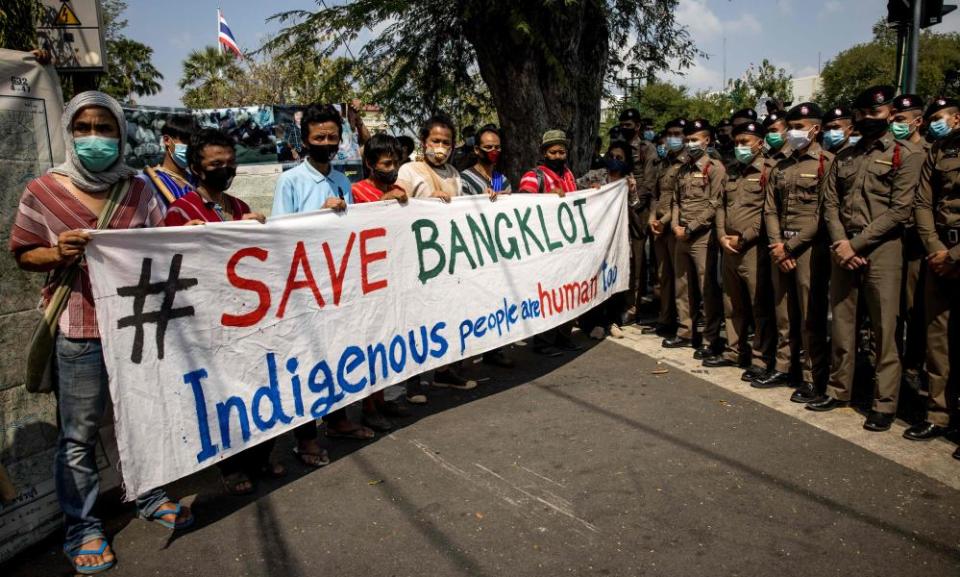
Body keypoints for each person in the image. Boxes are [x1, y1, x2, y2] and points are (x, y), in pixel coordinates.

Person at [9, 91, 193, 575]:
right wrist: (57, 253)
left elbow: (168, 242)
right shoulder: (44, 190)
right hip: (80, 328)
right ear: (70, 133)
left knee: (143, 416)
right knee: (80, 435)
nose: (95, 138)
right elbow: (24, 253)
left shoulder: (139, 189)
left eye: (105, 128)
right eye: (84, 128)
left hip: (138, 326)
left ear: (121, 133)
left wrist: (235, 231)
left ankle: (148, 493)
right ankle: (83, 528)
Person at [164, 128, 281, 494]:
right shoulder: (181, 210)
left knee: (258, 384)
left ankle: (260, 457)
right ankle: (232, 467)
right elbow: (172, 263)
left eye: (230, 163)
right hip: (211, 320)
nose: (225, 169)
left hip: (249, 314)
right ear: (197, 168)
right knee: (226, 391)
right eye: (216, 164)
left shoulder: (239, 207)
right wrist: (184, 236)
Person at [810, 86, 924, 432]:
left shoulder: (906, 154)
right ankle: (839, 390)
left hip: (883, 250)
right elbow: (829, 203)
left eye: (875, 114)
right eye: (862, 115)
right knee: (843, 325)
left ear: (889, 113)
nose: (868, 120)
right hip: (843, 248)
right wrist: (842, 242)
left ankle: (884, 403)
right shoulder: (846, 155)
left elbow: (901, 210)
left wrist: (855, 245)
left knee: (884, 330)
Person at [272, 104, 374, 460]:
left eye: (332, 137)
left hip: (339, 282)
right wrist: (318, 215)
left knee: (337, 353)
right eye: (320, 137)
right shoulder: (290, 181)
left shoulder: (343, 179)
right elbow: (280, 233)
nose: (327, 142)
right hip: (304, 286)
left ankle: (337, 419)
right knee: (306, 359)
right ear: (306, 139)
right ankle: (305, 438)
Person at [398, 114, 479, 392]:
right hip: (417, 260)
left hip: (447, 259)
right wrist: (425, 202)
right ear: (424, 142)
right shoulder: (409, 171)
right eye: (435, 141)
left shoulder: (454, 174)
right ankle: (413, 382)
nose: (440, 147)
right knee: (417, 319)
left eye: (446, 142)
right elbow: (396, 205)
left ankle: (444, 370)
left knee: (445, 316)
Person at [759, 103, 832, 398]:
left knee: (808, 315)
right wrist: (777, 245)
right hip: (780, 246)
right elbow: (770, 208)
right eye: (791, 126)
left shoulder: (826, 163)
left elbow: (824, 212)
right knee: (783, 312)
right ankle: (783, 365)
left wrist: (789, 247)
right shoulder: (781, 165)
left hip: (808, 249)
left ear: (815, 129)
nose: (793, 132)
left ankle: (812, 375)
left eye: (799, 127)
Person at [905, 96, 960, 452]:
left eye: (940, 118)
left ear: (957, 118)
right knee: (937, 340)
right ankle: (938, 414)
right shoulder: (937, 152)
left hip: (955, 254)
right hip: (938, 251)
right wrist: (935, 247)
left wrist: (955, 255)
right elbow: (923, 203)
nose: (934, 124)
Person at [351, 133, 415, 427]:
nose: (392, 168)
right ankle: (370, 407)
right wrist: (381, 204)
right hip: (368, 282)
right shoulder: (356, 192)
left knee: (391, 338)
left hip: (395, 277)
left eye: (395, 163)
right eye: (386, 163)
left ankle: (388, 399)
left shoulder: (400, 188)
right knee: (370, 343)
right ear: (370, 164)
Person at [707, 120, 776, 382]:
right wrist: (723, 235)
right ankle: (734, 350)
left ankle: (761, 358)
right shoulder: (732, 171)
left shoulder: (769, 170)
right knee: (732, 302)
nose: (739, 147)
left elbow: (768, 212)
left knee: (758, 305)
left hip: (753, 248)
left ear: (760, 142)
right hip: (729, 246)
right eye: (736, 143)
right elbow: (722, 206)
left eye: (744, 142)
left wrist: (744, 238)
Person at [661, 118, 725, 359]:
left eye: (694, 139)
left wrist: (691, 228)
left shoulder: (715, 169)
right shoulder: (684, 169)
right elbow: (676, 201)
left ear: (707, 141)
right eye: (687, 139)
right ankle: (686, 331)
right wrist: (676, 225)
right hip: (681, 234)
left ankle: (710, 338)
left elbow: (715, 203)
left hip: (702, 236)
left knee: (706, 288)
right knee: (683, 285)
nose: (689, 143)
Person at [519, 129, 582, 355]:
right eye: (553, 152)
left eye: (561, 152)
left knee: (568, 293)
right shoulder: (533, 175)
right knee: (548, 295)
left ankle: (564, 336)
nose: (558, 156)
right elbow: (521, 204)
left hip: (569, 247)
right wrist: (547, 197)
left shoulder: (569, 175)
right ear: (544, 153)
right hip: (546, 248)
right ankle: (544, 342)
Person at [890, 94, 929, 393]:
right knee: (889, 313)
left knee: (915, 310)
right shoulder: (890, 152)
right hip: (890, 242)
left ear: (918, 121)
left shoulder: (929, 152)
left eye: (901, 119)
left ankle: (912, 368)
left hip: (918, 242)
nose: (895, 124)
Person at [578, 140, 636, 340]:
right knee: (595, 279)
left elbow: (636, 207)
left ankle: (612, 321)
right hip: (596, 239)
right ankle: (591, 323)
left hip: (618, 239)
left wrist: (633, 191)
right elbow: (574, 190)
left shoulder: (628, 181)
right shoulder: (596, 175)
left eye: (619, 158)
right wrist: (590, 191)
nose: (614, 161)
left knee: (614, 280)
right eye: (612, 156)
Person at [644, 118, 686, 337]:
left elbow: (681, 200)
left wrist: (665, 220)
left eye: (677, 133)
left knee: (680, 278)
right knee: (662, 276)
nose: (672, 138)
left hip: (675, 226)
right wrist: (653, 218)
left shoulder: (687, 164)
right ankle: (665, 318)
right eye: (669, 133)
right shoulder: (663, 163)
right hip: (659, 227)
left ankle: (685, 325)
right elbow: (656, 196)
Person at [617, 108, 659, 320]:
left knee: (638, 258)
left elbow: (650, 183)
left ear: (638, 126)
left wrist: (634, 204)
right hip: (618, 208)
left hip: (638, 210)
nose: (625, 129)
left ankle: (634, 305)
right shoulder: (618, 146)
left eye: (629, 125)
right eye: (622, 125)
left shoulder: (647, 148)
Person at [142, 114, 199, 207]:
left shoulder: (196, 181)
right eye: (185, 141)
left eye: (193, 144)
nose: (191, 148)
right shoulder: (148, 182)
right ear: (167, 140)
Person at [461, 124, 512, 197]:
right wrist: (482, 199)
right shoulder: (464, 180)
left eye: (497, 147)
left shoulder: (503, 181)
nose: (494, 151)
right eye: (488, 147)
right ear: (477, 150)